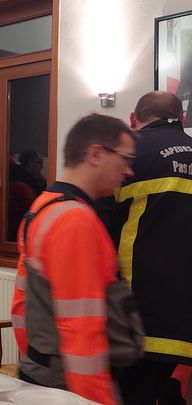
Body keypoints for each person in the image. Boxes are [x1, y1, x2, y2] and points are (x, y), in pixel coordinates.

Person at [11, 114, 139, 405]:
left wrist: (34, 362)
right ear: (96, 154)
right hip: (69, 387)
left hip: (42, 374)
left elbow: (20, 306)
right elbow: (83, 330)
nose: (129, 170)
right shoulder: (76, 220)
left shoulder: (41, 208)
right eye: (125, 158)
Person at [111, 91, 192, 405]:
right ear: (181, 118)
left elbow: (103, 224)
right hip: (184, 316)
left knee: (131, 394)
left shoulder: (130, 153)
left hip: (138, 311)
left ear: (133, 119)